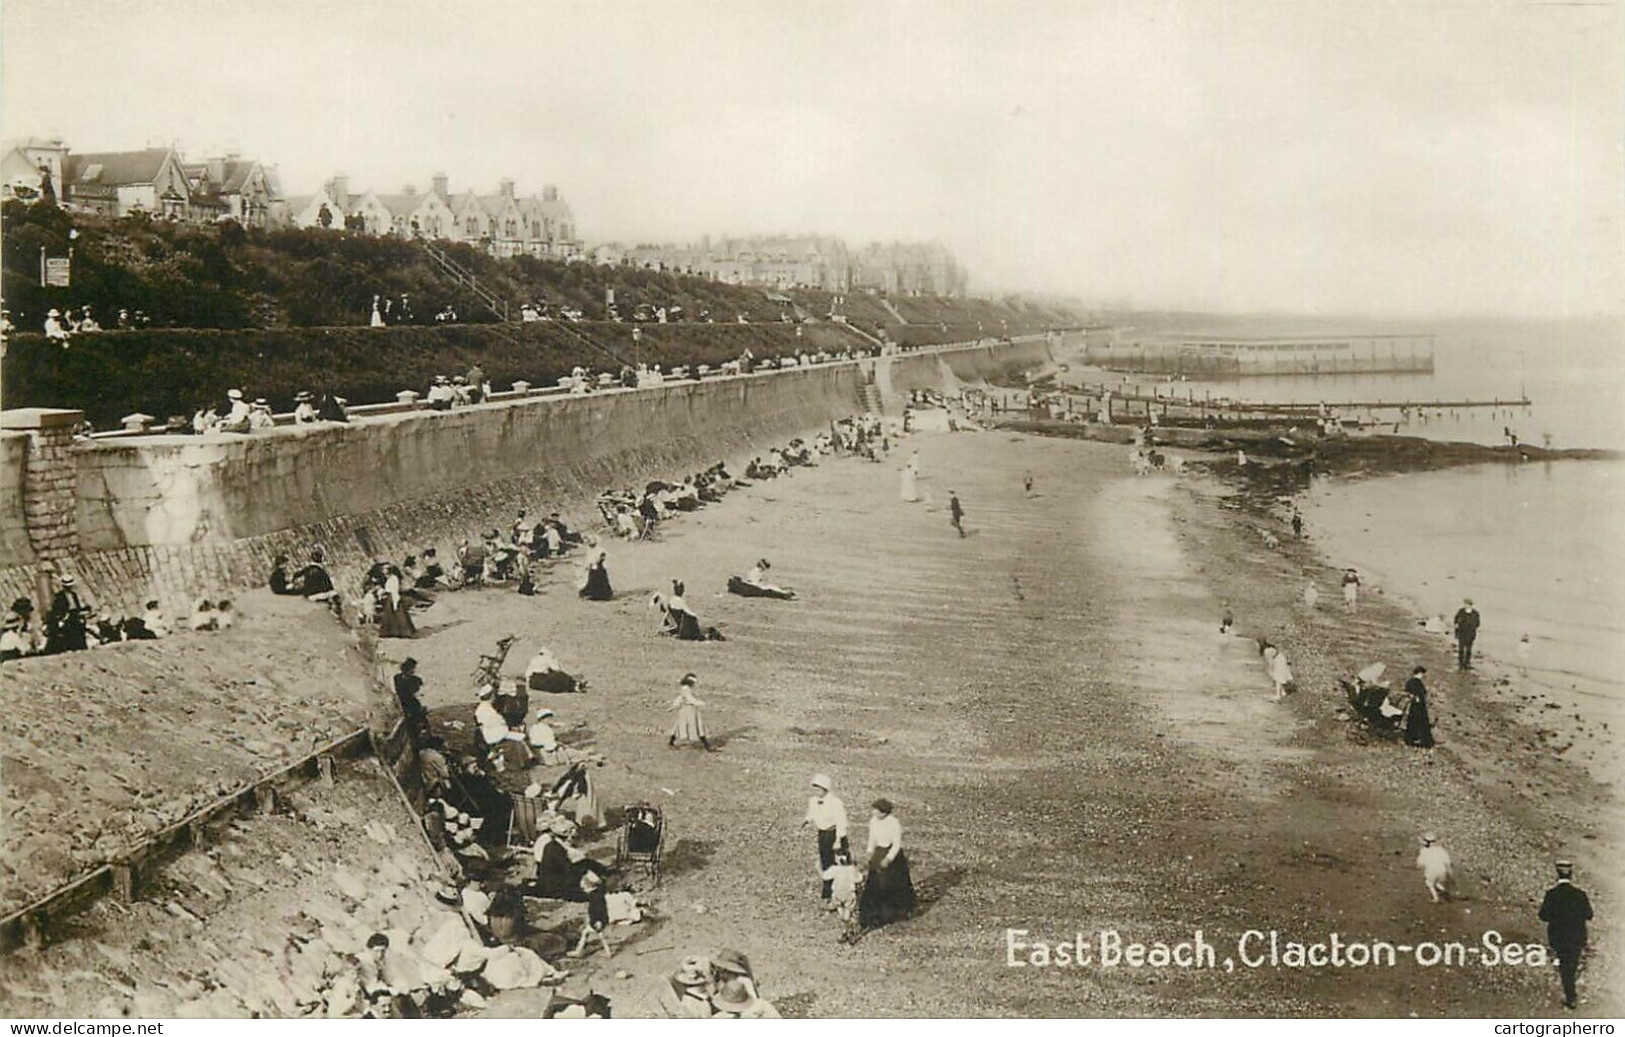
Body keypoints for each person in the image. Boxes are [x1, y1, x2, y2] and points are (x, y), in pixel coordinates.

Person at [1538, 860, 1593, 1009]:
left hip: (1559, 937)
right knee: (1572, 965)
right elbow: (1589, 914)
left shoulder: (1551, 894)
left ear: (1557, 874)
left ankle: (1571, 996)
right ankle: (1571, 994)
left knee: (1564, 966)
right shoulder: (1580, 895)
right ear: (1571, 875)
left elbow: (1543, 916)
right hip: (1577, 936)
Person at [858, 798, 915, 929]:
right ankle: (872, 915)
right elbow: (872, 839)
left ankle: (894, 913)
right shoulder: (873, 821)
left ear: (884, 812)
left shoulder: (894, 823)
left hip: (892, 856)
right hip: (878, 853)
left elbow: (896, 844)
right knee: (874, 883)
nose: (874, 813)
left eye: (877, 811)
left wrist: (888, 859)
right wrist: (869, 852)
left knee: (891, 883)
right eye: (874, 810)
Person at [803, 773, 849, 904]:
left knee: (841, 862)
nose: (816, 792)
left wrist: (838, 839)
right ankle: (828, 891)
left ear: (825, 789)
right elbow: (812, 812)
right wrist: (807, 820)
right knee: (826, 862)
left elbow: (841, 821)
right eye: (814, 789)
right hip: (823, 834)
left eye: (818, 789)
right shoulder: (814, 800)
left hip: (834, 834)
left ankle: (844, 890)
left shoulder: (835, 803)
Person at [710, 950, 779, 1018]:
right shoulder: (722, 982)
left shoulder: (743, 982)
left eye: (721, 969)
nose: (719, 972)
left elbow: (753, 1005)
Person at [568, 870, 614, 959]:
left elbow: (599, 909)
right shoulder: (598, 893)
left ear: (589, 887)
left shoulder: (595, 897)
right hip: (599, 919)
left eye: (584, 888)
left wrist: (599, 921)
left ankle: (607, 952)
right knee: (587, 933)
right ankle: (579, 950)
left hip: (598, 919)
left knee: (600, 936)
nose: (584, 891)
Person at [44, 574, 89, 654]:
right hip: (66, 616)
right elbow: (57, 609)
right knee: (67, 633)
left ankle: (80, 647)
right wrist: (61, 618)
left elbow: (77, 606)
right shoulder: (59, 596)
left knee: (79, 630)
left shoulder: (74, 595)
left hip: (74, 615)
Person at [668, 673, 710, 750]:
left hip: (686, 710)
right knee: (698, 727)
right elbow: (689, 699)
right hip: (689, 710)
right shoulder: (686, 689)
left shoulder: (684, 689)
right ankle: (706, 745)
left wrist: (673, 706)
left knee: (678, 726)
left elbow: (680, 698)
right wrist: (700, 703)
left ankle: (671, 741)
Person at [394, 658, 429, 742]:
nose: (412, 671)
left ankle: (421, 736)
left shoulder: (414, 680)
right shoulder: (398, 678)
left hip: (410, 704)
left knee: (418, 721)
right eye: (411, 669)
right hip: (405, 704)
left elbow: (420, 694)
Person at [378, 565, 416, 638]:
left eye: (385, 570)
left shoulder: (394, 578)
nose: (383, 571)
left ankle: (404, 632)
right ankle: (392, 632)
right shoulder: (388, 579)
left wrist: (395, 602)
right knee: (391, 616)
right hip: (390, 598)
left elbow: (394, 590)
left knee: (398, 615)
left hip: (393, 598)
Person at [824, 847, 859, 925]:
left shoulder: (834, 869)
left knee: (840, 910)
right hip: (849, 893)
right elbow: (859, 879)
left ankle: (845, 926)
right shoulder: (851, 869)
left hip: (837, 893)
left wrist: (818, 868)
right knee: (847, 911)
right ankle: (847, 926)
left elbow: (825, 876)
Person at [1416, 832, 1453, 902]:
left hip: (1431, 871)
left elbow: (1420, 863)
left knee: (1429, 883)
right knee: (1437, 882)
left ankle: (1436, 898)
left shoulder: (1424, 851)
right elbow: (1447, 862)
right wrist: (1450, 873)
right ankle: (1443, 890)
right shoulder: (1440, 849)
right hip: (1442, 871)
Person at [1403, 665, 1434, 748]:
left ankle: (1411, 738)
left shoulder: (1411, 682)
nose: (1422, 676)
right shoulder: (1416, 682)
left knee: (1413, 722)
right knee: (1420, 722)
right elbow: (1421, 693)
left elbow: (1407, 692)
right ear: (1419, 673)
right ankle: (1421, 739)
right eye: (1422, 674)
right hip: (1419, 706)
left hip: (1415, 706)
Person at [1453, 599, 1480, 670]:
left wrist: (1472, 628)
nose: (1466, 605)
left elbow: (1477, 623)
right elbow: (1455, 619)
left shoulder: (1475, 613)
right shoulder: (1461, 611)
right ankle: (1461, 662)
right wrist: (1457, 625)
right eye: (1465, 604)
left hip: (1470, 633)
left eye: (1467, 604)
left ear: (1471, 605)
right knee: (1461, 648)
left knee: (1468, 649)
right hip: (1461, 632)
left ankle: (1467, 663)